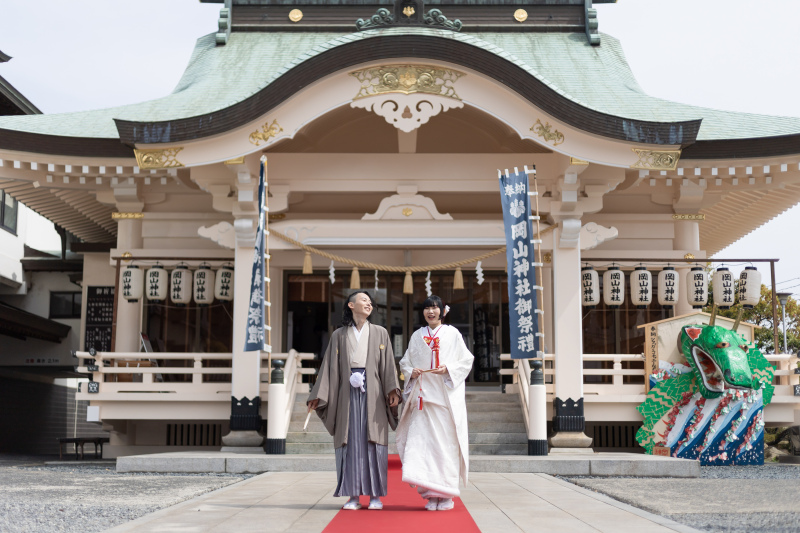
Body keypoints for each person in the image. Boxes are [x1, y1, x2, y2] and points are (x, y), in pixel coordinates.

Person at [307, 290, 401, 510]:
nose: (368, 304)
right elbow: (329, 368)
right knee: (349, 442)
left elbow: (388, 365)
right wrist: (318, 395)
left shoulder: (380, 333)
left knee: (373, 442)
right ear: (351, 305)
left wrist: (392, 390)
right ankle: (353, 496)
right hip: (346, 395)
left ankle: (376, 496)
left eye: (370, 301)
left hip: (374, 394)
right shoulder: (339, 335)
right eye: (363, 300)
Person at [396, 295, 474, 511]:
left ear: (442, 311)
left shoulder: (453, 334)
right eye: (427, 308)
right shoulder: (416, 336)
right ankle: (431, 494)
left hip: (444, 399)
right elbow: (405, 362)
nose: (431, 312)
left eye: (435, 308)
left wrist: (448, 369)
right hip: (423, 399)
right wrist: (412, 371)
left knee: (445, 446)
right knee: (425, 447)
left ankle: (446, 494)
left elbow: (466, 360)